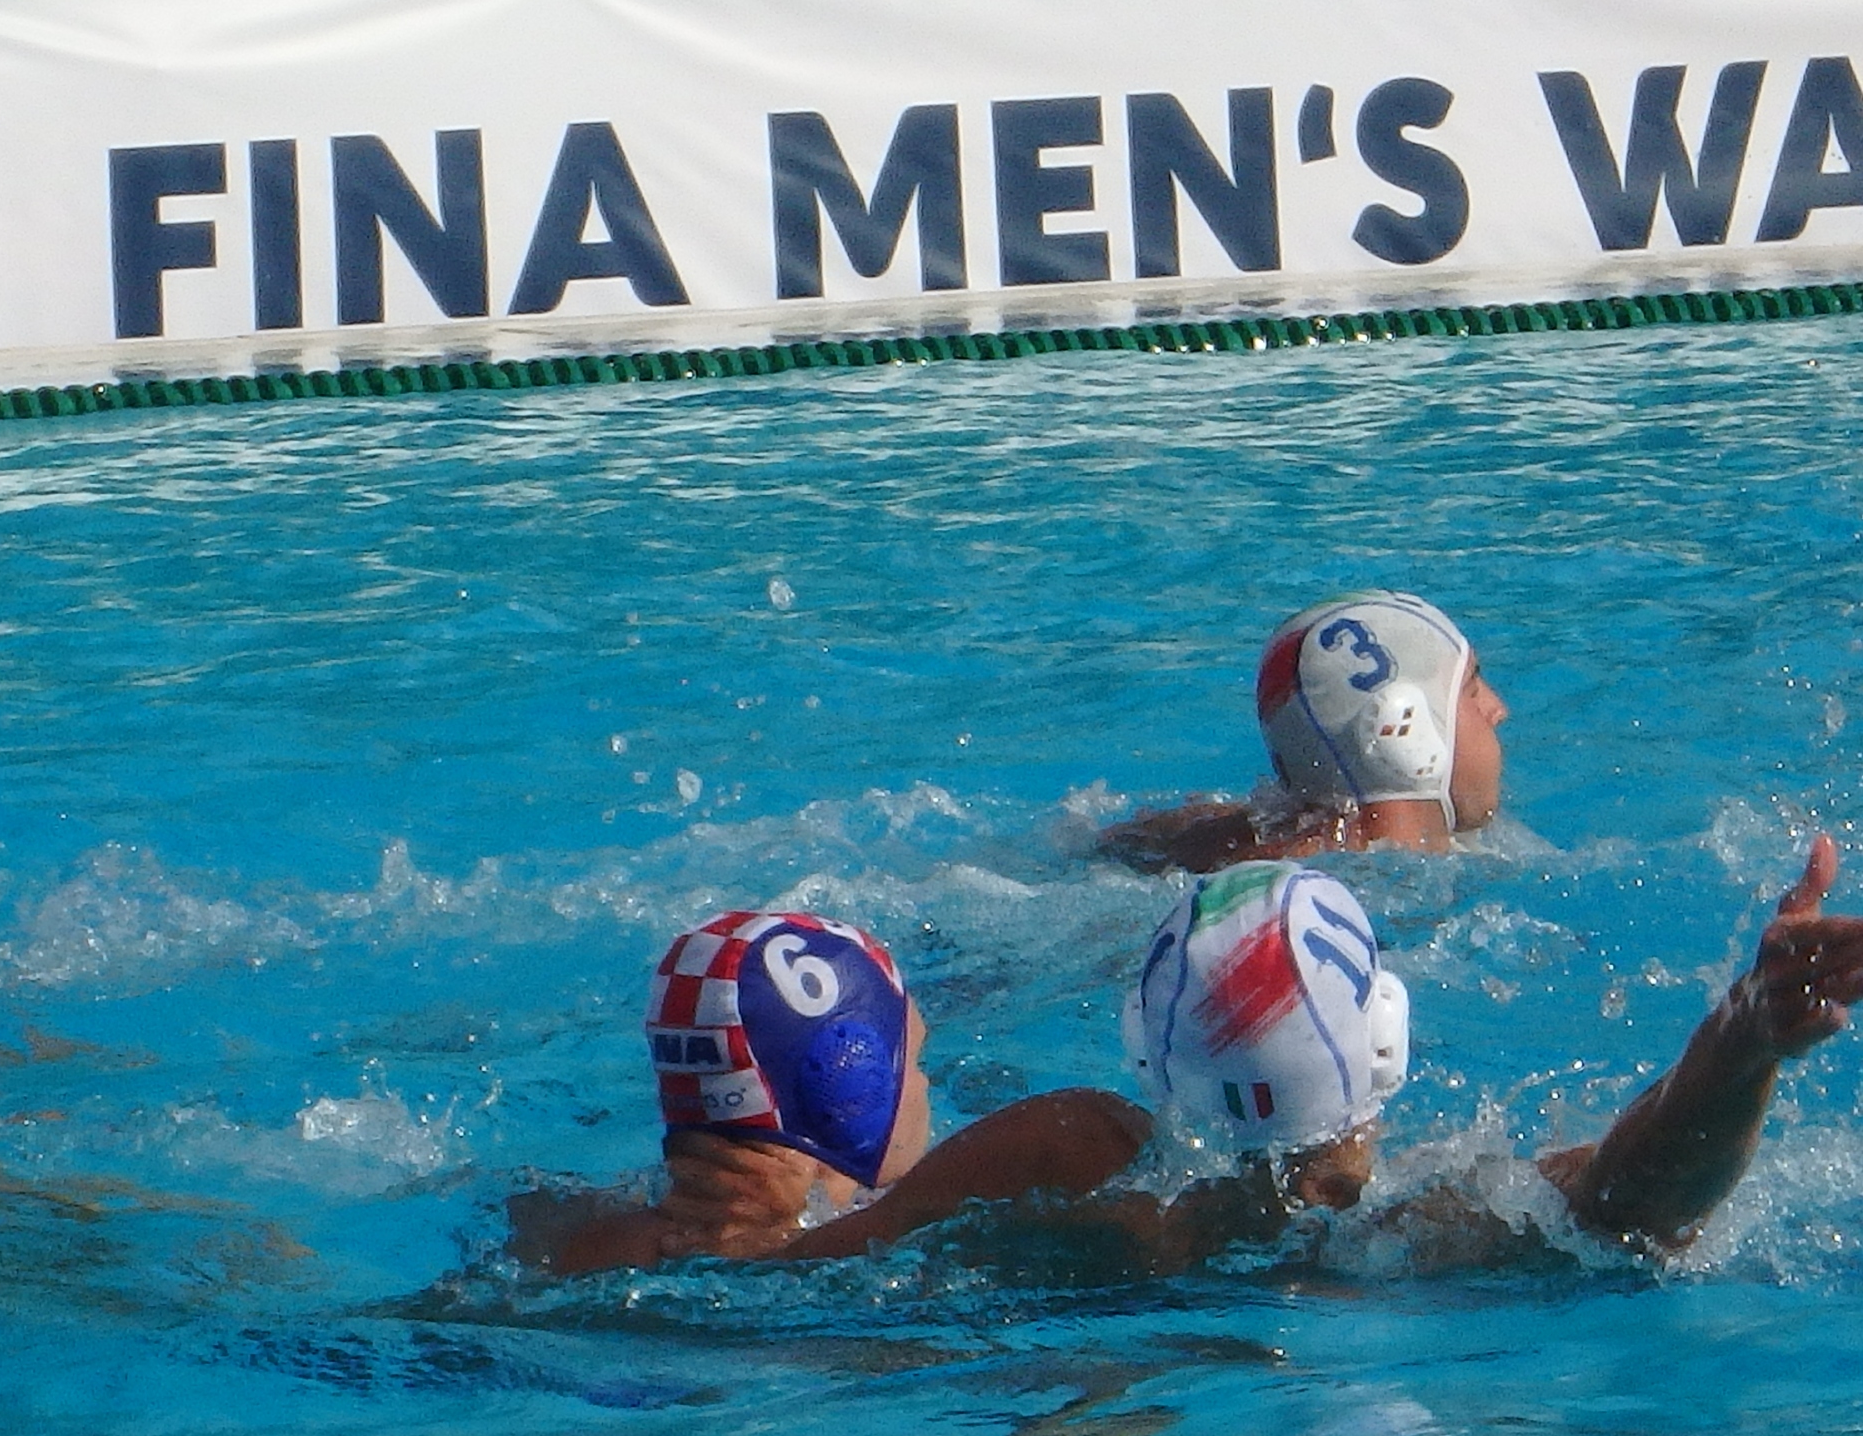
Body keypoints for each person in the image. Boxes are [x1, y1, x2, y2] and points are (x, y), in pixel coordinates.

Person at [532, 847, 1863, 1277]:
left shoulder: (1073, 1163)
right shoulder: (1423, 1234)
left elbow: (791, 1271)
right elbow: (1637, 1198)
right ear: (1386, 1033)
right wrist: (1743, 1038)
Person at [507, 912, 930, 1273]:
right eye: (915, 1061)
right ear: (849, 1084)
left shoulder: (575, 1237)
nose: (925, 1083)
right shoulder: (866, 1248)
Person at [1099, 592, 1511, 873]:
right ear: (1402, 727)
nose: (1497, 709)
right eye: (1471, 688)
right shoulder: (1382, 887)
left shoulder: (1261, 845)